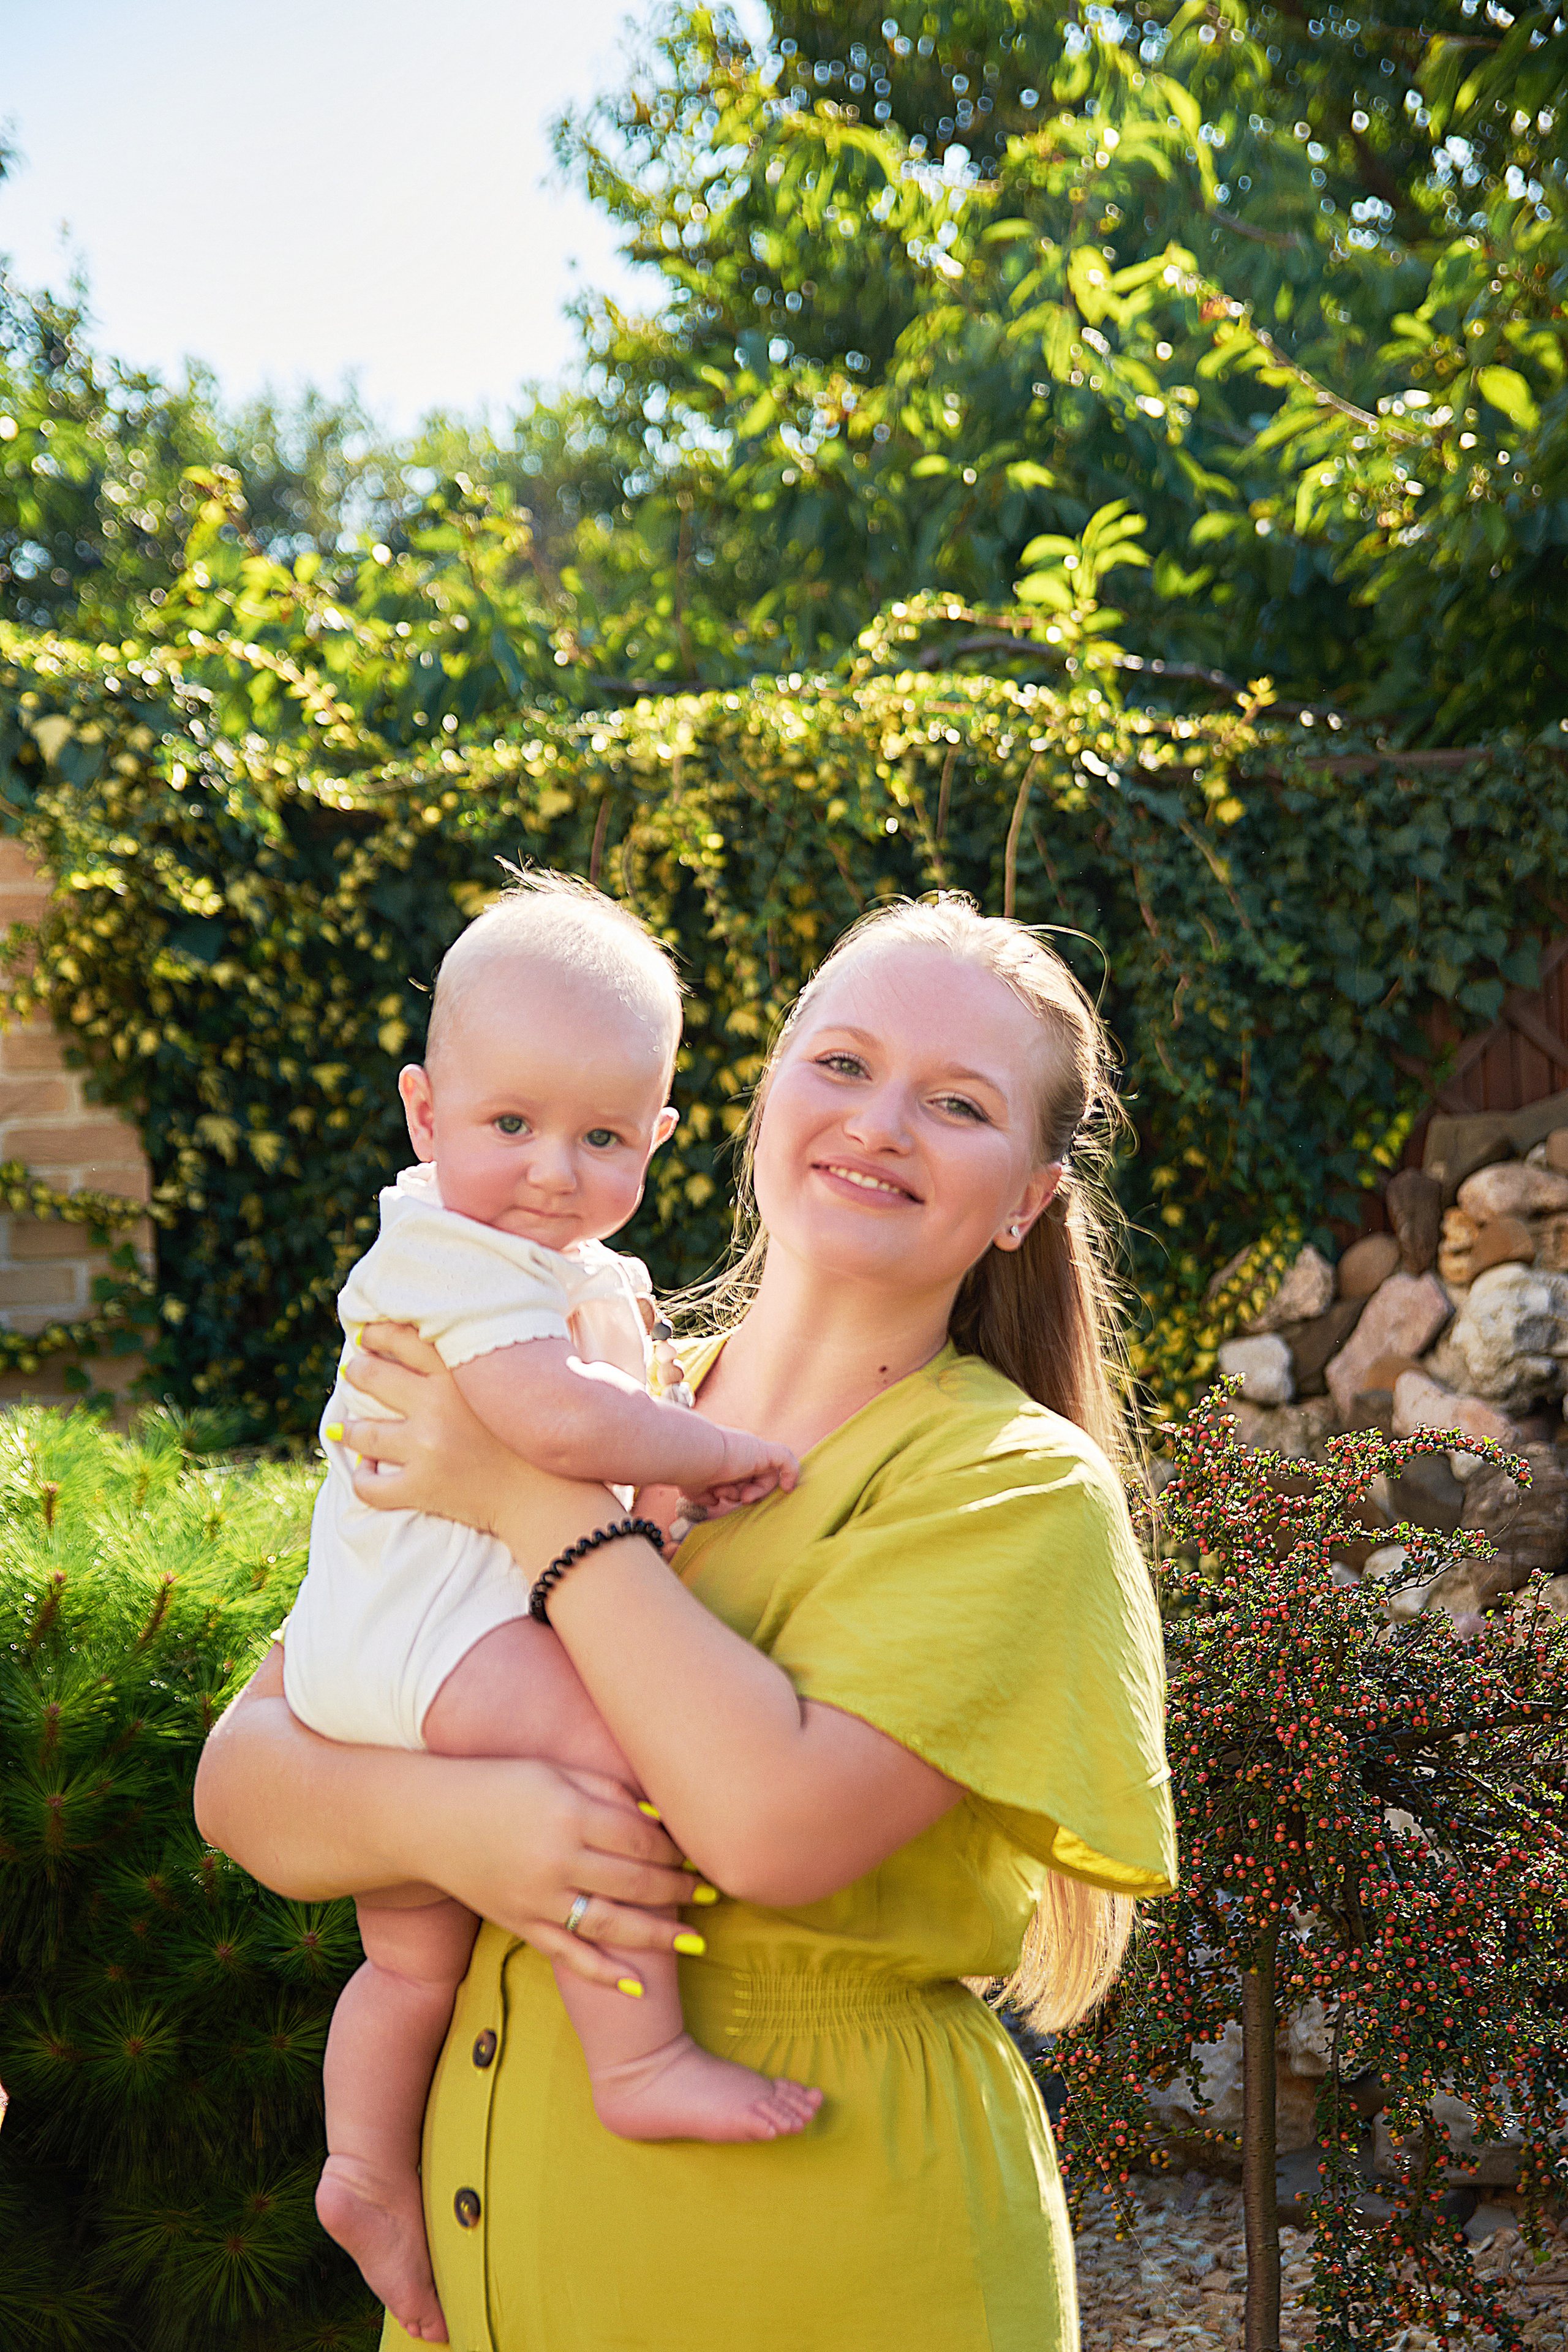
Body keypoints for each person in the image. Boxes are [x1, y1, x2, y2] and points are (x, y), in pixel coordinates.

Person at [196, 892, 1177, 2352]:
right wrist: (464, 1833)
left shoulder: (1011, 1488)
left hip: (811, 2264)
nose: (879, 1122)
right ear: (760, 1099)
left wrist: (534, 1503)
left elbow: (770, 1827)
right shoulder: (587, 1381)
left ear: (1026, 1199)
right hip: (480, 2287)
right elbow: (249, 1780)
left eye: (957, 1103)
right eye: (838, 1065)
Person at [282, 875, 812, 2345]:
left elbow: (585, 1452)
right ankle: (635, 2059)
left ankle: (362, 2164)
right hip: (428, 1644)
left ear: (658, 1135)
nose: (550, 1173)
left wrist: (651, 1460)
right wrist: (708, 1451)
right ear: (423, 1111)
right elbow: (556, 1429)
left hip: (383, 1648)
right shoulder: (447, 1255)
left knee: (408, 1956)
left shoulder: (566, 1272)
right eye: (508, 1125)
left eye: (599, 1137)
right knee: (611, 1750)